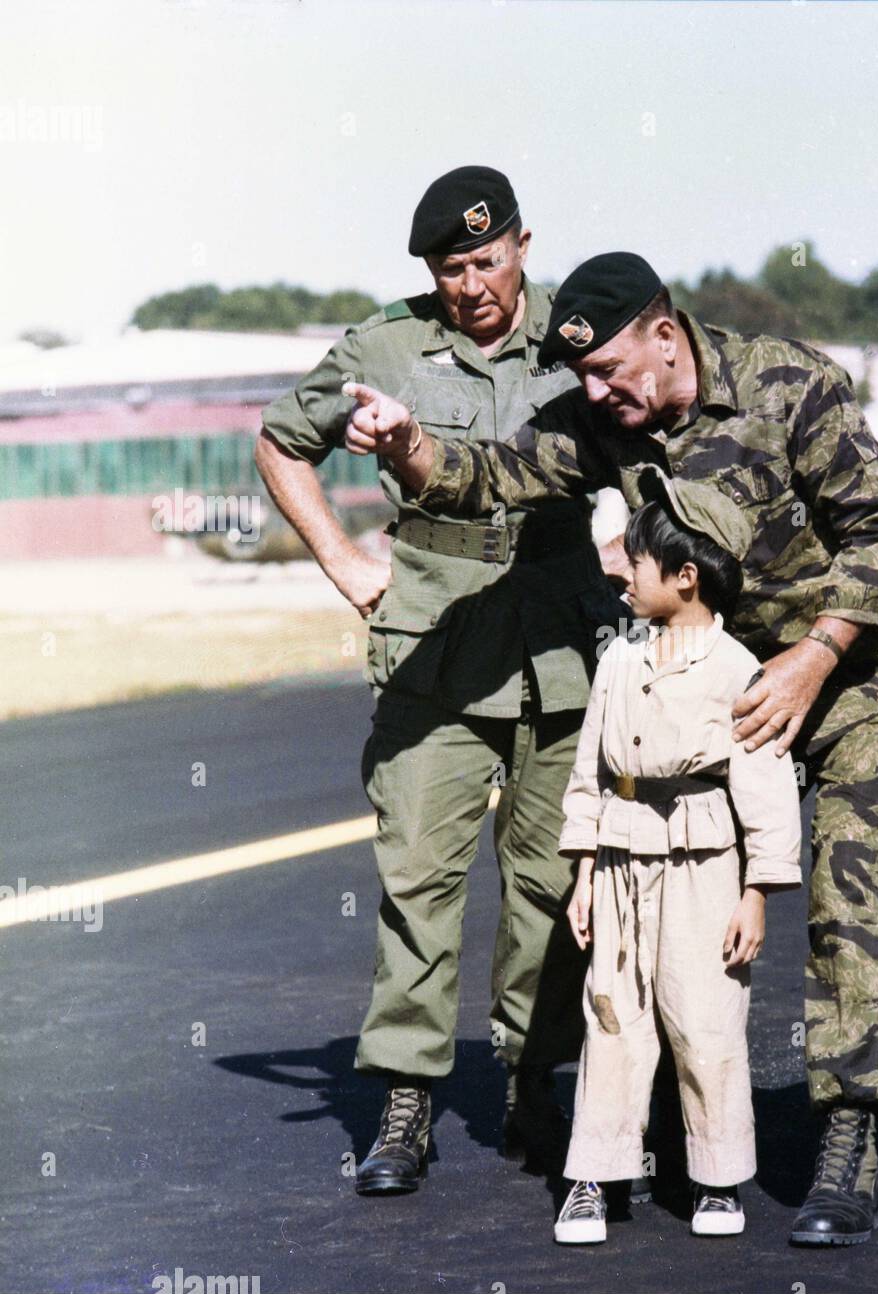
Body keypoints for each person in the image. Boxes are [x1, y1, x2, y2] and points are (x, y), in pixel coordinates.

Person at [342, 250, 878, 1244]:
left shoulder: (787, 384)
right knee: (669, 871)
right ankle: (673, 1109)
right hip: (731, 671)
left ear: (665, 337)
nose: (595, 394)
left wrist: (814, 657)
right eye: (582, 377)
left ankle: (848, 1142)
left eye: (609, 370)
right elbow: (488, 477)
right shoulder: (606, 417)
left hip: (864, 661)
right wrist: (408, 442)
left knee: (846, 880)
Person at [256, 168, 619, 1195]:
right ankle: (407, 1096)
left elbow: (650, 427)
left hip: (559, 648)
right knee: (418, 879)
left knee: (553, 884)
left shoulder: (577, 332)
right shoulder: (385, 347)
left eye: (487, 260)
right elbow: (281, 441)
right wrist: (343, 561)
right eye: (450, 269)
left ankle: (533, 1080)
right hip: (434, 649)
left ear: (522, 245)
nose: (471, 285)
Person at [551, 471, 802, 1245]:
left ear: (685, 576)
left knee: (705, 1020)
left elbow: (764, 786)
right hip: (620, 862)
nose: (622, 574)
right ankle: (593, 1176)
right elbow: (591, 771)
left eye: (636, 561)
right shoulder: (620, 661)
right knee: (611, 1016)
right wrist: (585, 871)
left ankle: (718, 1178)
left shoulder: (738, 670)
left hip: (704, 868)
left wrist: (757, 891)